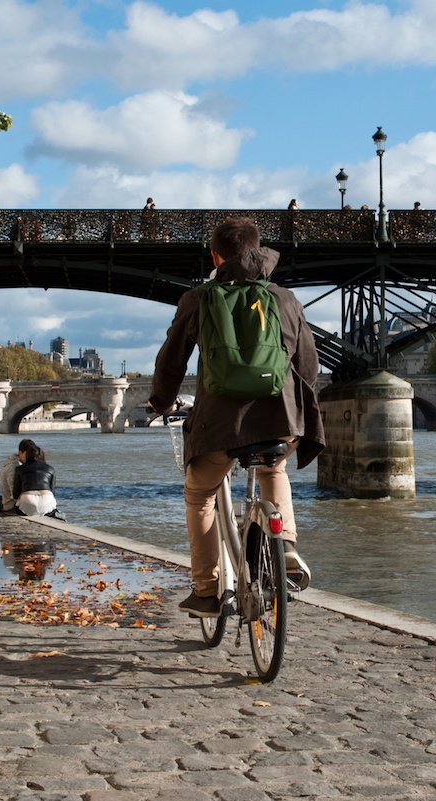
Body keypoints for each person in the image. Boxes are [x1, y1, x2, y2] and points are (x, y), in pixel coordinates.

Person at [148, 217, 325, 618]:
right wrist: (298, 412)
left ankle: (208, 590)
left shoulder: (198, 299)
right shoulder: (285, 299)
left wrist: (161, 402)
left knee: (200, 495)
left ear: (215, 256)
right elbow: (308, 366)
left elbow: (171, 363)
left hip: (219, 426)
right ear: (257, 251)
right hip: (279, 419)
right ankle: (288, 547)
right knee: (273, 471)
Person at [13, 438, 59, 517]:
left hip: (26, 505)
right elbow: (52, 492)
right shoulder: (51, 469)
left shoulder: (19, 469)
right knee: (51, 508)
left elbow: (15, 494)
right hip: (47, 503)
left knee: (17, 506)